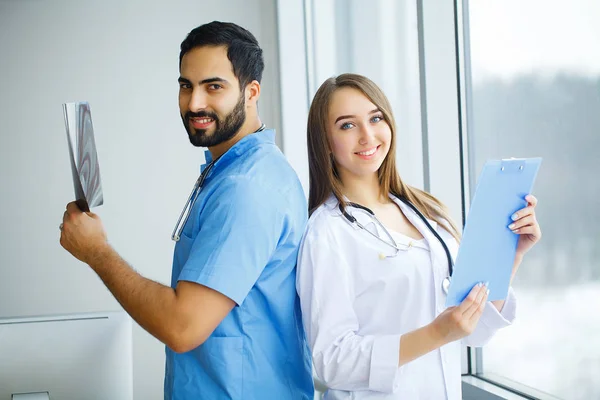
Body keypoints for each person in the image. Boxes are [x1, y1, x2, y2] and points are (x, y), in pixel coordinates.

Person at [59, 21, 314, 399]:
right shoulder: (231, 170)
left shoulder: (248, 188)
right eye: (185, 85)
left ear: (251, 92)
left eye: (213, 86)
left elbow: (182, 327)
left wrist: (97, 252)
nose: (194, 103)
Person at [296, 73, 541, 399]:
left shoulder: (425, 212)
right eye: (347, 125)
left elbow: (473, 331)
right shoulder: (326, 232)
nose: (368, 135)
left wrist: (513, 255)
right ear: (325, 142)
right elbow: (333, 361)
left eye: (375, 118)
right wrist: (436, 333)